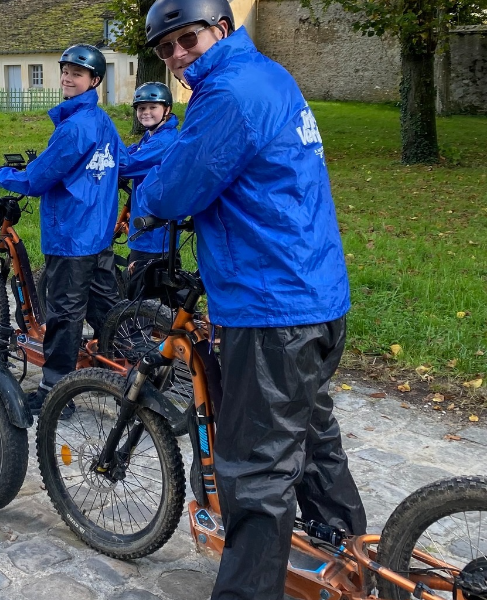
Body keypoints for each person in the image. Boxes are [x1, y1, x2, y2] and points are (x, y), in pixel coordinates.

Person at [139, 0, 368, 598]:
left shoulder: (228, 94)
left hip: (269, 307)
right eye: (166, 50)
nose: (178, 57)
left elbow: (174, 190)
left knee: (258, 476)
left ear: (219, 28)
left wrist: (146, 199)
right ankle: (354, 562)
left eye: (186, 40)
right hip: (316, 295)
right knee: (314, 438)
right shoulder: (270, 73)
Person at [0, 44, 122, 414]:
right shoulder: (102, 121)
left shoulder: (74, 128)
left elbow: (36, 180)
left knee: (65, 315)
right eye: (65, 71)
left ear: (94, 80)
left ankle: (56, 394)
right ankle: (129, 376)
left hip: (71, 234)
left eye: (77, 74)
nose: (68, 77)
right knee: (106, 310)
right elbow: (120, 162)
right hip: (98, 232)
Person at [119, 82, 179, 264]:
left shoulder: (163, 142)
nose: (146, 112)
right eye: (141, 107)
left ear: (167, 109)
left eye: (153, 107)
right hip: (147, 220)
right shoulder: (152, 135)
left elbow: (128, 164)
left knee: (143, 284)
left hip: (154, 231)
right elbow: (132, 151)